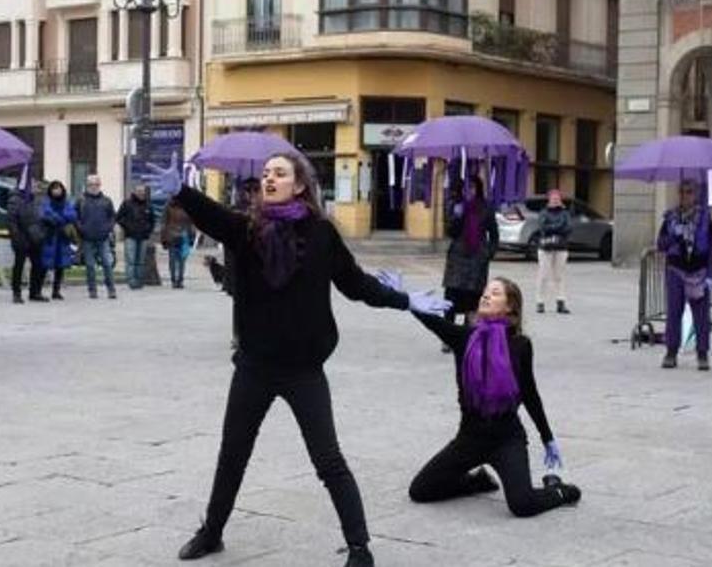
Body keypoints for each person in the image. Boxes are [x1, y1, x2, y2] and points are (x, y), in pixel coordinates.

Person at [145, 152, 449, 567]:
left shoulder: (322, 233)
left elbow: (356, 284)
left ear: (300, 185)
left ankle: (359, 547)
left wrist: (406, 301)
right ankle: (212, 532)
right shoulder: (247, 229)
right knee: (233, 452)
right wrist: (181, 191)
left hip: (304, 370)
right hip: (254, 367)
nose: (270, 179)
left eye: (280, 173)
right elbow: (213, 217)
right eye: (266, 173)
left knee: (328, 459)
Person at [407, 277, 582, 518]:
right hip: (469, 438)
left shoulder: (520, 345)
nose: (486, 296)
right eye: (486, 292)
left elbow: (530, 393)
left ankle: (561, 491)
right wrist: (406, 300)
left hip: (507, 439)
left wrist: (547, 437)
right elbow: (432, 321)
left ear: (510, 306)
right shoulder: (464, 338)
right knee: (420, 491)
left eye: (495, 293)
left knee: (522, 505)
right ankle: (477, 482)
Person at [657, 180, 712, 371]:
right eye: (682, 192)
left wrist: (710, 274)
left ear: (696, 194)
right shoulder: (671, 218)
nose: (685, 196)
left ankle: (702, 353)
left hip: (698, 271)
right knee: (674, 312)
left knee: (701, 315)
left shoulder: (705, 219)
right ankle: (671, 352)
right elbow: (661, 244)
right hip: (676, 270)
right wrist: (674, 235)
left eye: (689, 192)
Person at [442, 176, 499, 328]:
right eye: (467, 188)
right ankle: (448, 333)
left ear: (478, 189)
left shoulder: (486, 207)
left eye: (473, 187)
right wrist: (456, 216)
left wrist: (489, 253)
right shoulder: (455, 204)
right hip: (457, 259)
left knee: (473, 301)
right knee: (451, 300)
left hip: (477, 259)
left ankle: (468, 334)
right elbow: (450, 232)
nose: (470, 191)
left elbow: (494, 234)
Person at [76, 174, 117, 299]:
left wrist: (108, 229)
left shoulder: (107, 200)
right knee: (89, 265)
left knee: (107, 263)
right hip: (87, 238)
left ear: (100, 185)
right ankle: (92, 290)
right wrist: (82, 229)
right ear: (87, 186)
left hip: (103, 237)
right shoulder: (81, 200)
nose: (93, 187)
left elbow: (112, 217)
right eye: (91, 184)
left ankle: (111, 290)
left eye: (96, 184)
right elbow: (75, 217)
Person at [7, 181, 47, 303]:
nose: (36, 188)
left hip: (35, 236)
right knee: (19, 265)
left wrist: (42, 232)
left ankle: (35, 292)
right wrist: (16, 235)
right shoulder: (15, 199)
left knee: (39, 265)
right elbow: (11, 220)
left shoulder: (37, 200)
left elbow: (41, 217)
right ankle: (16, 292)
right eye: (33, 185)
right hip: (21, 236)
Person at [535, 190, 572, 315]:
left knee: (559, 276)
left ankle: (560, 302)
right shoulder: (543, 213)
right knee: (543, 275)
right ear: (549, 199)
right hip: (545, 247)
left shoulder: (565, 213)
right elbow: (542, 227)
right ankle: (540, 302)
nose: (555, 200)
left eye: (557, 198)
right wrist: (558, 227)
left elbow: (568, 228)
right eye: (553, 198)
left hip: (561, 247)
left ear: (560, 200)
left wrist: (551, 227)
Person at [40, 180, 78, 300]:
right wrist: (59, 218)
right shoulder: (46, 202)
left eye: (59, 188)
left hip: (62, 238)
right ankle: (38, 290)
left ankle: (56, 291)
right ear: (50, 190)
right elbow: (45, 214)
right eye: (54, 188)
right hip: (49, 238)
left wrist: (58, 218)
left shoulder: (66, 202)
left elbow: (73, 215)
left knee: (60, 266)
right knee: (45, 265)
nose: (56, 191)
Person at [116, 184, 155, 290]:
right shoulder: (127, 203)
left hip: (143, 237)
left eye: (142, 192)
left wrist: (148, 230)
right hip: (130, 236)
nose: (141, 194)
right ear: (135, 192)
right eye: (139, 191)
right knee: (131, 260)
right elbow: (119, 217)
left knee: (141, 261)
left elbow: (152, 221)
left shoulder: (148, 205)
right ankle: (131, 281)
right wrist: (127, 227)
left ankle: (139, 281)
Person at [160, 197, 195, 289]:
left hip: (184, 237)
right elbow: (163, 222)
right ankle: (174, 280)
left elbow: (191, 223)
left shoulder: (187, 206)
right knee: (173, 260)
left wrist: (192, 237)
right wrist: (163, 238)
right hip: (172, 236)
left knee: (181, 260)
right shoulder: (168, 206)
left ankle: (179, 280)